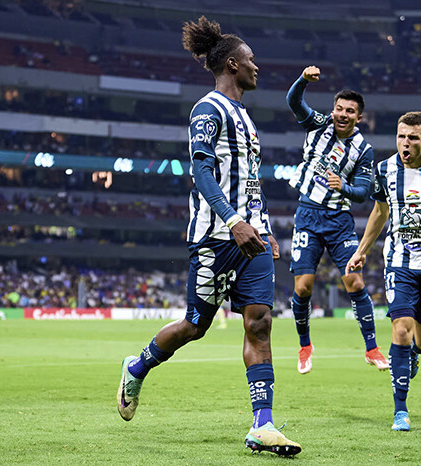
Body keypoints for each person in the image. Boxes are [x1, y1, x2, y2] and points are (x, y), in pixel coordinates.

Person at [116, 16, 301, 457]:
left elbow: (252, 182)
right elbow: (200, 171)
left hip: (252, 239)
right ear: (233, 64)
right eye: (252, 61)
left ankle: (263, 424)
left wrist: (265, 228)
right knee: (195, 326)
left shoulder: (247, 119)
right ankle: (137, 366)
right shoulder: (208, 109)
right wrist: (233, 220)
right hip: (217, 237)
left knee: (259, 323)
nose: (258, 67)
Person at [346, 111, 421, 432]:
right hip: (399, 263)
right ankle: (400, 410)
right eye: (401, 136)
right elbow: (379, 212)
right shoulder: (385, 169)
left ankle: (414, 354)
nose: (405, 143)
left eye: (413, 138)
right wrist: (361, 251)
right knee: (401, 328)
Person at [286, 65, 388, 374]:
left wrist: (342, 186)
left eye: (350, 111)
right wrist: (303, 80)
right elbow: (294, 102)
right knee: (303, 287)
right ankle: (305, 345)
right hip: (307, 214)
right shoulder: (318, 125)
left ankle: (371, 348)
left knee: (353, 281)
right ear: (333, 110)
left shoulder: (363, 151)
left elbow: (362, 193)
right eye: (339, 108)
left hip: (339, 220)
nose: (343, 114)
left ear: (359, 117)